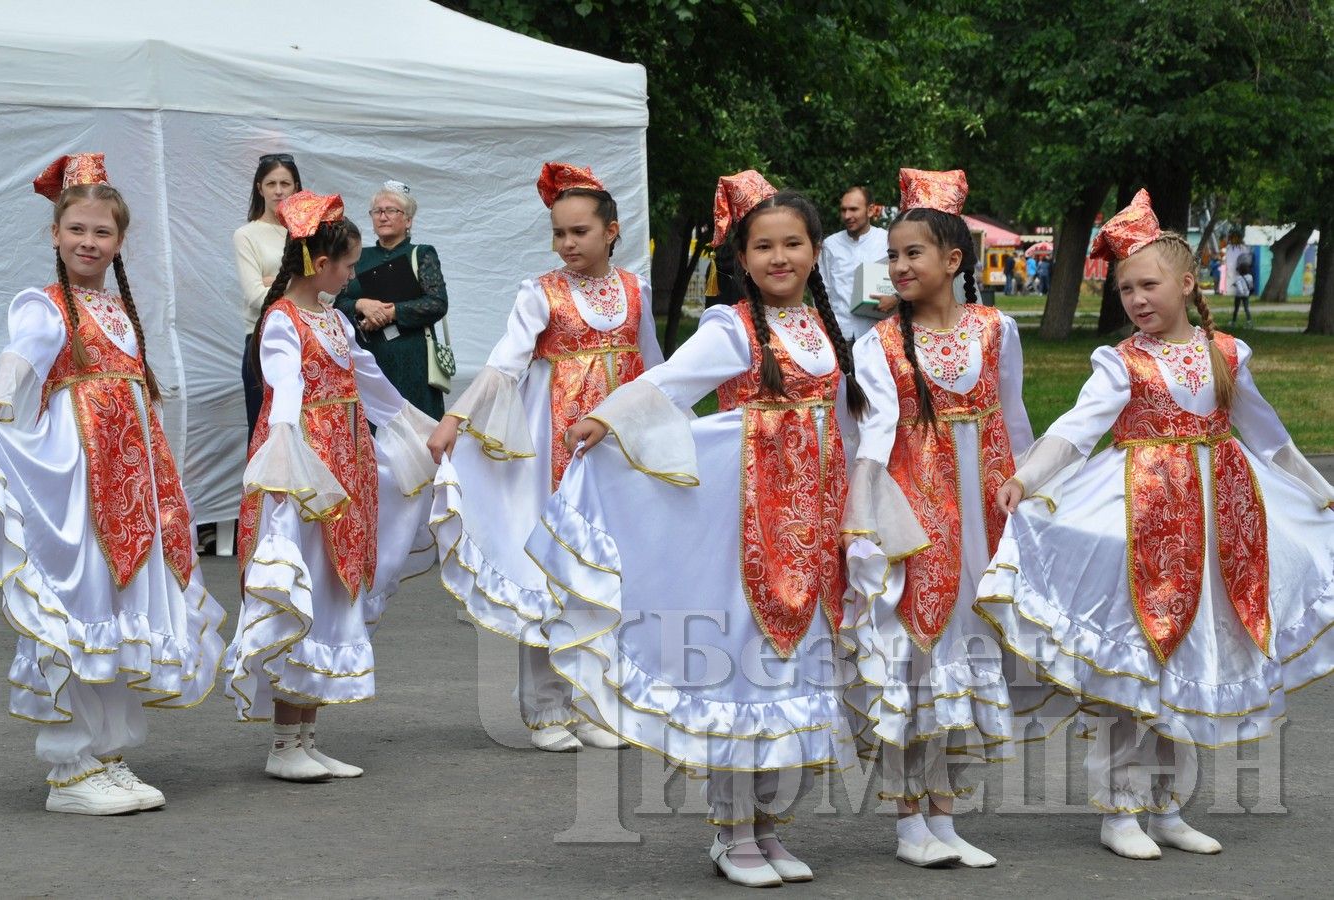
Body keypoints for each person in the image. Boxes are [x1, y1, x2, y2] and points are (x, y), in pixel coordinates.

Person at [529, 172, 864, 887]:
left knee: (799, 667)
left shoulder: (824, 330)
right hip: (744, 526)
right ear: (741, 260)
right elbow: (666, 384)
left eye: (793, 244)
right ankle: (732, 830)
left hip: (813, 525)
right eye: (764, 246)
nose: (780, 258)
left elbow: (845, 422)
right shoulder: (731, 327)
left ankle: (772, 825)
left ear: (813, 252)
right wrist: (606, 418)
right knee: (743, 668)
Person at [977, 190, 1334, 860]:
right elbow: (1075, 432)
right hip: (1142, 521)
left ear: (1186, 282)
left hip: (1219, 523)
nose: (1137, 299)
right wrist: (1026, 477)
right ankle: (1119, 809)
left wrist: (1318, 489)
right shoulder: (1121, 362)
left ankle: (1167, 805)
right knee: (1136, 664)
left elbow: (1268, 437)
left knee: (1190, 655)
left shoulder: (1226, 352)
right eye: (1125, 289)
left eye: (1148, 285)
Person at [0, 154, 225, 814]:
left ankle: (104, 754)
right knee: (84, 598)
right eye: (78, 229)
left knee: (122, 605)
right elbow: (22, 354)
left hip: (132, 488)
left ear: (120, 241)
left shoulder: (117, 310)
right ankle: (67, 769)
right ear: (55, 234)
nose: (89, 242)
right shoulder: (46, 304)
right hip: (78, 480)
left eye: (103, 232)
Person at [426, 163, 661, 752]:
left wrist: (675, 436)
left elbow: (656, 369)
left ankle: (596, 703)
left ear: (612, 230)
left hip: (619, 448)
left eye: (579, 232)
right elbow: (507, 361)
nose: (566, 244)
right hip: (557, 446)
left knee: (608, 571)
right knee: (551, 566)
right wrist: (457, 417)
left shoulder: (636, 291)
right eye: (558, 233)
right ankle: (545, 708)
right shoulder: (541, 292)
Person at [841, 168, 1034, 868]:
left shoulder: (994, 328)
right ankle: (905, 823)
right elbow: (871, 439)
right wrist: (865, 525)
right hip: (914, 519)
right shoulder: (877, 345)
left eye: (911, 253)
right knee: (911, 659)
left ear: (953, 260)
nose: (897, 266)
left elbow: (1011, 417)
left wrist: (1031, 486)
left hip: (981, 514)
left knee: (965, 647)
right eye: (890, 255)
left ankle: (945, 816)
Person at [225, 191, 441, 781]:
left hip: (345, 468)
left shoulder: (336, 319)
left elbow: (370, 383)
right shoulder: (282, 321)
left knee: (330, 591)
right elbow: (286, 388)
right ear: (320, 265)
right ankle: (283, 744)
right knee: (303, 587)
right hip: (304, 475)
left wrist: (421, 433)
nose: (353, 273)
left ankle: (305, 735)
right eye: (348, 264)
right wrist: (289, 451)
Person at [334, 180, 449, 419]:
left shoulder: (422, 253)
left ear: (408, 220)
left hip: (413, 361)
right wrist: (360, 305)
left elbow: (437, 303)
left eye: (391, 210)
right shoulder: (359, 256)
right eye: (377, 211)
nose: (383, 216)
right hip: (369, 360)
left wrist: (391, 312)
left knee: (417, 430)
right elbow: (338, 305)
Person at [234, 153, 303, 438]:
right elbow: (255, 296)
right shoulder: (247, 235)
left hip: (306, 340)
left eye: (285, 183)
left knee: (305, 431)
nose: (278, 190)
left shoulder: (306, 234)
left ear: (296, 188)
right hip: (264, 341)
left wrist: (274, 281)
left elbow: (327, 293)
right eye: (271, 183)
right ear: (259, 188)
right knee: (266, 432)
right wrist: (299, 280)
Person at [819, 185, 891, 339]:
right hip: (839, 334)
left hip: (879, 334)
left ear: (870, 210)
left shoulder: (887, 241)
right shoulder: (830, 245)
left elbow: (903, 281)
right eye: (843, 210)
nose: (847, 215)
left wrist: (895, 299)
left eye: (853, 209)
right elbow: (823, 289)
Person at [1230, 257, 1254, 327]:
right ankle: (1249, 321)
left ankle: (1233, 322)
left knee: (1236, 309)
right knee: (1246, 308)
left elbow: (1238, 285)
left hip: (1238, 295)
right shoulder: (1250, 276)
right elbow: (1251, 285)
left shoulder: (1238, 277)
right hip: (1246, 294)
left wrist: (1235, 285)